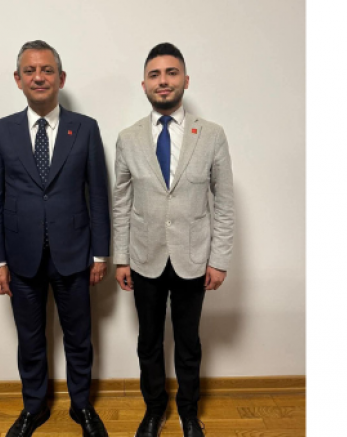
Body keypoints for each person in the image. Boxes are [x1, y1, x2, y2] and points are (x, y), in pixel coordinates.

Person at [0, 40, 111, 437]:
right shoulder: (1, 131)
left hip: (75, 254)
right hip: (20, 257)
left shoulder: (85, 128)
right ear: (18, 79)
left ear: (61, 78)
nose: (39, 77)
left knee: (79, 338)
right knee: (30, 339)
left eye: (47, 70)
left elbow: (98, 195)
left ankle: (81, 406)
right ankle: (33, 408)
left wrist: (101, 253)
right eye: (30, 71)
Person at [112, 43, 235, 437]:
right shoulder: (128, 138)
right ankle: (154, 410)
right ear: (144, 84)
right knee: (148, 341)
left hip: (193, 257)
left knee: (188, 341)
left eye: (171, 73)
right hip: (143, 257)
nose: (162, 81)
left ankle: (188, 412)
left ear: (185, 80)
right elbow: (121, 203)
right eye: (154, 74)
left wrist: (219, 259)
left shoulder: (211, 135)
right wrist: (120, 258)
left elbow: (224, 202)